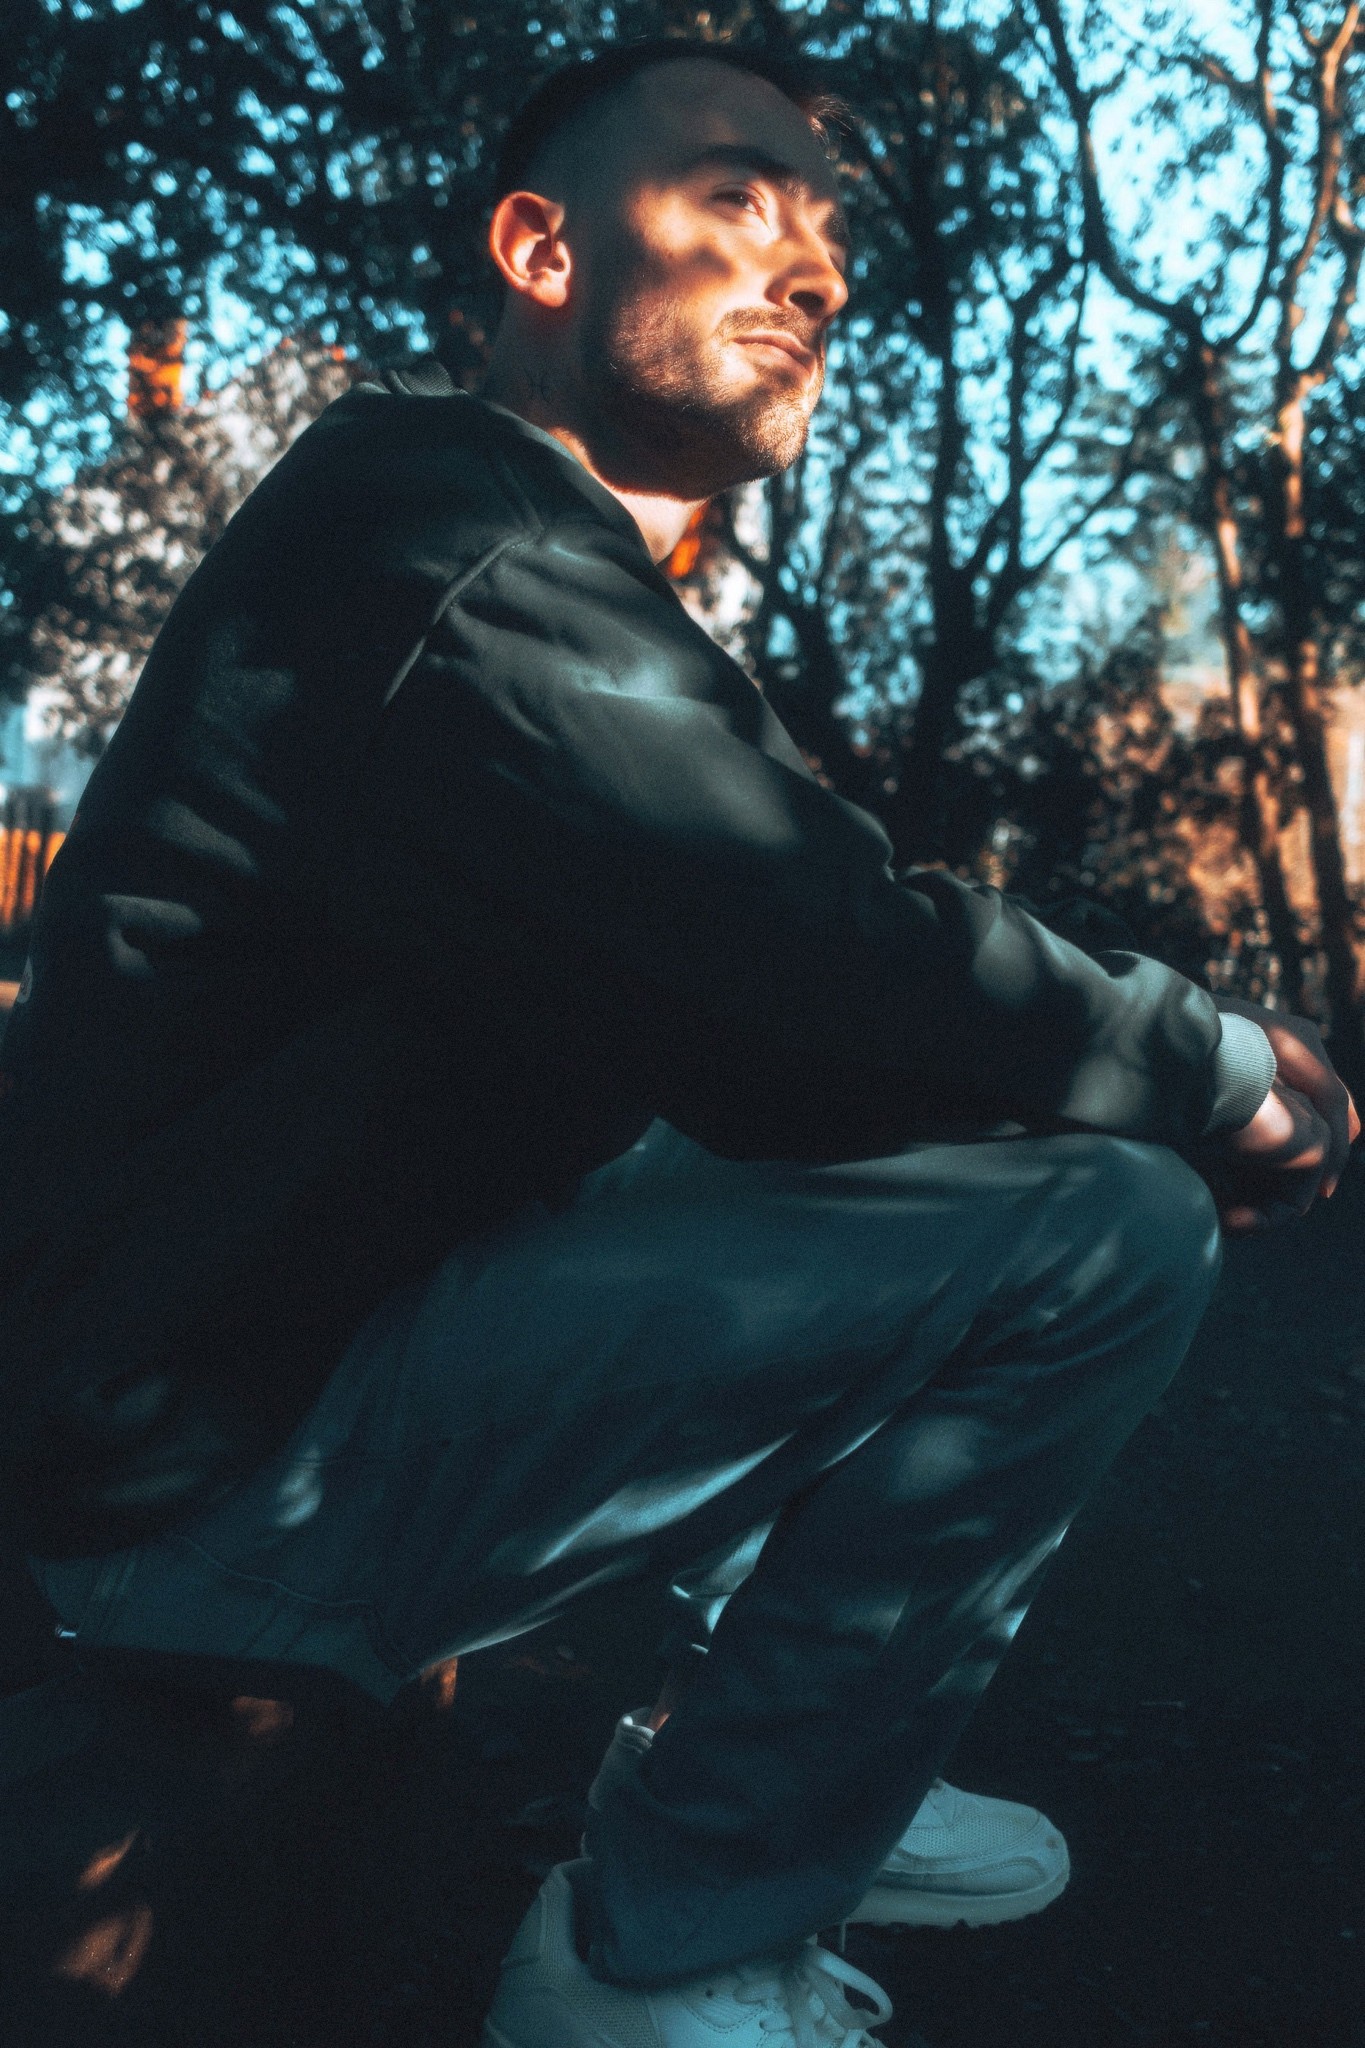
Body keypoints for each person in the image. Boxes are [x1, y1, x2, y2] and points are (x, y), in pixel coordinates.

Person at [0, 36, 1355, 2048]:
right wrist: (1216, 1065)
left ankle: (793, 1736)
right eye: (737, 196)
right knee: (1104, 1227)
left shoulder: (515, 560)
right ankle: (662, 1950)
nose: (815, 267)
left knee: (924, 1131)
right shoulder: (447, 544)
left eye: (827, 234)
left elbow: (790, 1043)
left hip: (241, 1389)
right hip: (183, 1475)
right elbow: (822, 940)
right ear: (541, 251)